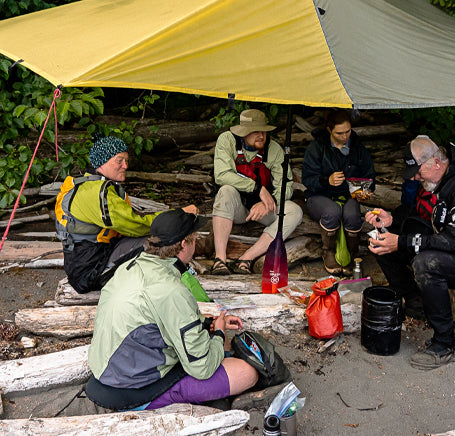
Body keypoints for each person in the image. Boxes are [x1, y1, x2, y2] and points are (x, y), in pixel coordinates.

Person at [87, 208, 257, 410]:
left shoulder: (131, 265)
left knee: (217, 347)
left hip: (111, 369)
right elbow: (201, 367)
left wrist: (208, 323)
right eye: (195, 238)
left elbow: (157, 316)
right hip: (134, 387)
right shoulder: (170, 289)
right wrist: (219, 333)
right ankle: (154, 404)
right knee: (247, 373)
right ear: (184, 244)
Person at [366, 136, 455, 370]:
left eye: (417, 171)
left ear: (435, 162)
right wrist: (392, 222)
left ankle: (446, 344)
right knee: (380, 242)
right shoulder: (445, 179)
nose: (414, 177)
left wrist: (402, 242)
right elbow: (424, 220)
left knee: (425, 263)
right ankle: (417, 304)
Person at [55, 133, 197, 293]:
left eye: (126, 161)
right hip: (90, 273)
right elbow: (137, 225)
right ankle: (178, 281)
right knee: (160, 239)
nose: (125, 166)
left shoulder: (85, 185)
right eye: (119, 160)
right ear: (102, 162)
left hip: (85, 266)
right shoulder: (96, 193)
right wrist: (178, 215)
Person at [210, 109, 302, 275]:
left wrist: (268, 202)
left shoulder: (274, 150)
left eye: (264, 131)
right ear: (243, 133)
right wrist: (258, 189)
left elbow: (286, 185)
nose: (261, 136)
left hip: (264, 210)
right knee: (225, 191)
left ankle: (246, 258)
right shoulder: (227, 141)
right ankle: (220, 260)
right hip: (236, 207)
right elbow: (221, 175)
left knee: (294, 211)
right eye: (255, 132)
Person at [302, 110, 376, 275]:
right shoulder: (316, 147)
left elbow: (369, 176)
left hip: (349, 194)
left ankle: (351, 253)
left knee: (352, 214)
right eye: (339, 133)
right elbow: (307, 179)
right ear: (329, 130)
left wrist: (366, 190)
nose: (345, 136)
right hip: (319, 196)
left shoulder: (357, 147)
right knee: (332, 211)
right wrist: (326, 180)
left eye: (348, 132)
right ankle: (328, 252)